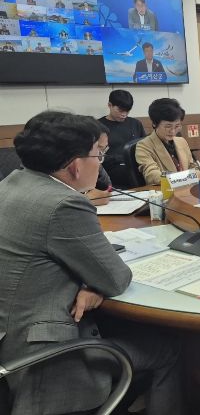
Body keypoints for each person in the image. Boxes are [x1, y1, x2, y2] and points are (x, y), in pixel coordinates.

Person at [0, 111, 183, 415]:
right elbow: (115, 278)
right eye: (99, 154)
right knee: (169, 347)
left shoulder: (11, 183)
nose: (101, 162)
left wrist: (87, 281)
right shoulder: (64, 204)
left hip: (10, 340)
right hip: (48, 359)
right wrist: (93, 281)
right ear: (75, 165)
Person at [135, 98, 197, 185]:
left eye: (177, 126)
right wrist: (186, 177)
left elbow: (193, 167)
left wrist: (196, 173)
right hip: (165, 190)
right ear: (154, 123)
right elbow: (153, 176)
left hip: (186, 188)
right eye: (168, 126)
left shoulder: (181, 141)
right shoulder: (144, 146)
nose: (173, 131)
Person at [99, 90, 147, 188]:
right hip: (112, 173)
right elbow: (96, 156)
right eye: (120, 110)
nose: (124, 114)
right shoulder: (99, 126)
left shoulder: (135, 124)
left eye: (127, 111)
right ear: (110, 105)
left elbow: (145, 148)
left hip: (137, 169)